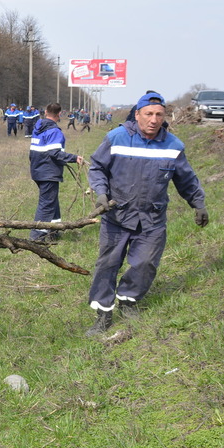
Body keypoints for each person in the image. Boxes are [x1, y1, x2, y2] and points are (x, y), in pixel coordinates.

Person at [84, 92, 209, 336]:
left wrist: (198, 203)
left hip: (152, 219)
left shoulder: (173, 145)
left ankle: (128, 301)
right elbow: (97, 167)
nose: (153, 119)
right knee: (107, 264)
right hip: (117, 216)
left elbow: (186, 180)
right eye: (148, 114)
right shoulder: (117, 138)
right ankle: (103, 314)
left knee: (145, 264)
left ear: (164, 117)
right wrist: (101, 193)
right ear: (138, 115)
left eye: (159, 114)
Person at [28, 103, 84, 241]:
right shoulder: (54, 131)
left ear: (45, 112)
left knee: (52, 201)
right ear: (59, 114)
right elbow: (55, 153)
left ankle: (54, 231)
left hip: (37, 170)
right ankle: (37, 236)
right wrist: (74, 158)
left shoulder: (38, 128)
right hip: (48, 172)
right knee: (46, 204)